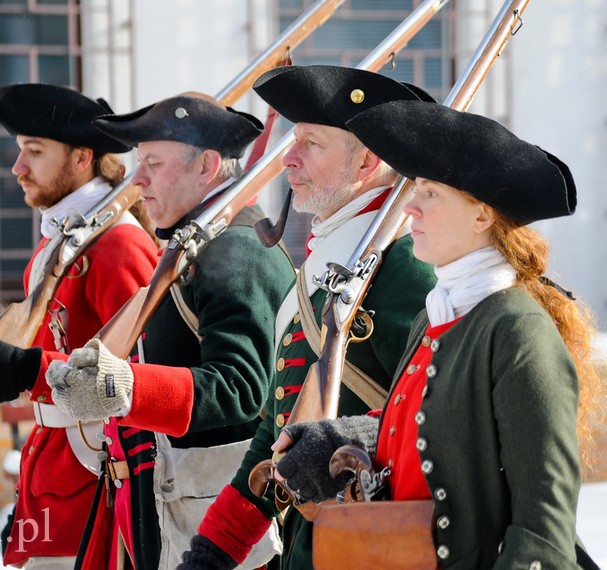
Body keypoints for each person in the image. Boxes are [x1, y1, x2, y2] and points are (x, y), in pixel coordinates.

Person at [268, 99, 607, 569]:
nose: (411, 206)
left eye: (430, 193)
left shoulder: (517, 331)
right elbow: (431, 426)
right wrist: (344, 436)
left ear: (482, 215)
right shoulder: (436, 318)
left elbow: (543, 529)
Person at [177, 66, 439, 570]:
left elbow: (442, 419)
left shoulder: (407, 268)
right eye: (294, 140)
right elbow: (275, 434)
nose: (288, 159)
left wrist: (350, 438)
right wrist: (215, 550)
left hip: (375, 547)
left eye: (311, 144)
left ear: (367, 159)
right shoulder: (324, 266)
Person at [43, 92, 296, 570]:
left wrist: (127, 388)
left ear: (207, 166)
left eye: (154, 164)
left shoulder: (233, 253)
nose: (137, 180)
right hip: (177, 505)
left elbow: (242, 389)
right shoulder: (196, 245)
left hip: (223, 526)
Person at [0, 83, 160, 569]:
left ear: (82, 158)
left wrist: (28, 369)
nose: (18, 167)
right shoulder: (61, 242)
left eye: (34, 151)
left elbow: (139, 373)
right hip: (50, 470)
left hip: (94, 477)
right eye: (19, 151)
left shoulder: (118, 246)